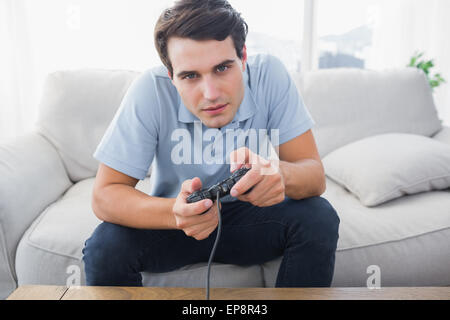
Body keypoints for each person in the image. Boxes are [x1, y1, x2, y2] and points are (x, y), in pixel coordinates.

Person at [82, 0, 340, 287]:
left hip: (250, 217)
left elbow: (314, 175)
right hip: (175, 220)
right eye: (190, 76)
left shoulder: (270, 75)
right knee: (104, 247)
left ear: (243, 56)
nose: (211, 94)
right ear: (171, 76)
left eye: (222, 68)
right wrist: (175, 214)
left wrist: (280, 174)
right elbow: (104, 195)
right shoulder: (149, 90)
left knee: (318, 217)